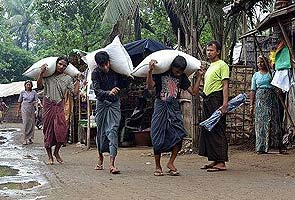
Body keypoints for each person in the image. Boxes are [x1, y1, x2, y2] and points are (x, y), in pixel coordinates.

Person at [147, 55, 200, 176]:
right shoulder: (161, 73)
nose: (178, 74)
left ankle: (171, 163)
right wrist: (150, 70)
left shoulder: (182, 77)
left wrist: (200, 76)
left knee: (179, 135)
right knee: (157, 136)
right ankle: (158, 166)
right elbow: (150, 87)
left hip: (174, 108)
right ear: (171, 67)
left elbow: (194, 92)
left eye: (180, 72)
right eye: (176, 71)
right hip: (160, 107)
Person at [91, 51, 130, 174]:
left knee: (113, 130)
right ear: (98, 65)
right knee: (101, 131)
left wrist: (128, 77)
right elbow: (97, 91)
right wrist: (108, 92)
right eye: (102, 66)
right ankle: (100, 158)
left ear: (109, 62)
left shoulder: (116, 71)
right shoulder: (95, 73)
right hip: (102, 103)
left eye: (106, 64)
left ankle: (112, 164)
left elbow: (124, 84)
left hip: (114, 103)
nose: (106, 67)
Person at [37, 56, 79, 165]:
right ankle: (50, 156)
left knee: (61, 132)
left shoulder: (67, 79)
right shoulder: (47, 76)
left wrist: (78, 81)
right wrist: (41, 73)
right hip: (48, 105)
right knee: (48, 131)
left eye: (64, 65)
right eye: (60, 64)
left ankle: (56, 152)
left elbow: (74, 93)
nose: (61, 67)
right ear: (56, 64)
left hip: (59, 105)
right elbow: (39, 86)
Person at [195, 41, 229, 172]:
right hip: (208, 99)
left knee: (217, 128)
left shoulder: (223, 65)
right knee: (209, 129)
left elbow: (225, 85)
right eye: (207, 50)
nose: (209, 52)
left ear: (218, 51)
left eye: (211, 50)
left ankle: (221, 162)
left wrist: (225, 104)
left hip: (217, 99)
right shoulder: (211, 66)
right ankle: (214, 159)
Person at [250, 56, 283, 154]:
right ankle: (261, 147)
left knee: (274, 121)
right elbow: (253, 90)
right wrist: (251, 104)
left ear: (266, 63)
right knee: (261, 123)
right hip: (260, 101)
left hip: (272, 99)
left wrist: (278, 90)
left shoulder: (272, 73)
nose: (260, 64)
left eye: (262, 62)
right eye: (258, 62)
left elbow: (278, 87)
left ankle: (275, 146)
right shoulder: (256, 75)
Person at [17, 80, 38, 145]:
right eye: (27, 84)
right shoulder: (22, 92)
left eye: (29, 84)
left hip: (31, 108)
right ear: (25, 85)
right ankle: (25, 138)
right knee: (25, 123)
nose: (28, 86)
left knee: (31, 123)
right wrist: (18, 111)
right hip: (24, 108)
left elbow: (36, 101)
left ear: (31, 85)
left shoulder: (34, 92)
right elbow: (19, 102)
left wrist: (37, 110)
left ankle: (30, 138)